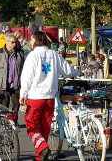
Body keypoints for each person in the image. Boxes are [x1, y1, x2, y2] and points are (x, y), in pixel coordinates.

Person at [19, 31, 77, 161]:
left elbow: (27, 77)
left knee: (31, 126)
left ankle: (43, 149)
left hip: (35, 97)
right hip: (50, 97)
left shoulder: (33, 56)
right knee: (45, 127)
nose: (30, 42)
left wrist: (23, 93)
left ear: (36, 40)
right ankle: (40, 157)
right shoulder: (54, 54)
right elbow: (67, 70)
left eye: (32, 39)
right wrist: (77, 71)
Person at [0, 33, 24, 123]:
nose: (14, 44)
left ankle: (14, 122)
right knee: (4, 105)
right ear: (7, 42)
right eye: (12, 42)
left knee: (16, 105)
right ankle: (5, 123)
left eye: (15, 42)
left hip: (16, 84)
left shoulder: (20, 53)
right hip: (3, 84)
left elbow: (23, 68)